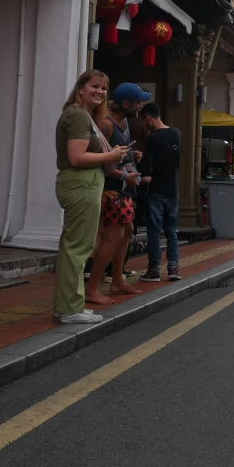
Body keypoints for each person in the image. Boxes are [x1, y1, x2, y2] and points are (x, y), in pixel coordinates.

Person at [53, 70, 128, 324]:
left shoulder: (83, 115)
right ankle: (71, 308)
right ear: (81, 88)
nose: (100, 92)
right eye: (95, 86)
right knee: (78, 247)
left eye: (104, 89)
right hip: (80, 184)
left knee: (72, 246)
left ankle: (66, 305)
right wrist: (111, 156)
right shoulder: (77, 115)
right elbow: (77, 157)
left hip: (82, 184)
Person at [85, 83, 150, 305]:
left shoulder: (124, 123)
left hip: (124, 188)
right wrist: (124, 177)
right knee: (113, 237)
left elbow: (117, 153)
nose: (141, 105)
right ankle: (92, 287)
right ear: (126, 104)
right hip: (112, 189)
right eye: (138, 102)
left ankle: (117, 280)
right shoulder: (106, 124)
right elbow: (102, 162)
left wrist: (132, 155)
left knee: (128, 230)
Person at [137, 102, 183, 283]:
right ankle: (173, 268)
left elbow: (146, 171)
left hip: (157, 190)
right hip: (174, 190)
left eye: (143, 120)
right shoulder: (177, 133)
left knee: (154, 232)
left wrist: (140, 159)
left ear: (148, 118)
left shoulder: (153, 138)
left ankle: (154, 270)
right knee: (172, 231)